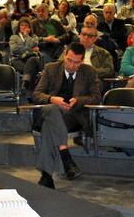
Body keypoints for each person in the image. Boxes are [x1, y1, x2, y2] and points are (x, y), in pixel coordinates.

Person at [32, 42, 101, 189]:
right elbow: (37, 94)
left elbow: (96, 97)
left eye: (76, 62)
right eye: (69, 60)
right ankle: (65, 155)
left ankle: (46, 175)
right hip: (51, 111)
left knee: (48, 126)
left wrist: (79, 100)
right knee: (52, 109)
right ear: (65, 55)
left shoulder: (89, 71)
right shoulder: (51, 68)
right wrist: (52, 99)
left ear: (82, 61)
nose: (71, 65)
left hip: (73, 115)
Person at [10, 18, 41, 94]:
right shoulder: (14, 37)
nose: (24, 27)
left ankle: (25, 83)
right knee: (32, 70)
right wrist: (30, 49)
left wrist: (26, 36)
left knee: (32, 60)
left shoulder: (34, 37)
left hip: (30, 59)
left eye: (26, 25)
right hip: (17, 59)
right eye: (22, 25)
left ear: (30, 27)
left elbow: (34, 43)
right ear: (19, 27)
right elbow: (14, 49)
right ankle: (30, 89)